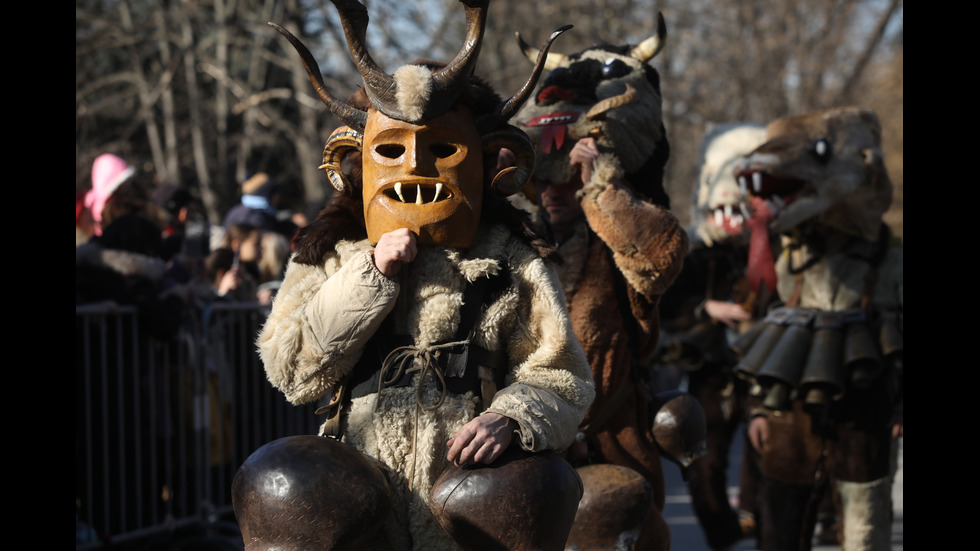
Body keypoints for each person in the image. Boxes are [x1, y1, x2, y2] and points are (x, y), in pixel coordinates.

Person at [247, 4, 593, 549]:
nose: (414, 169)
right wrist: (370, 274)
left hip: (470, 508)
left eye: (442, 150)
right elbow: (290, 371)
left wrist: (512, 418)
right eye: (390, 151)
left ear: (486, 161)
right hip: (358, 506)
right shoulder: (330, 251)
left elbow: (564, 380)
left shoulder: (513, 258)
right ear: (356, 160)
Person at [513, 17, 688, 550]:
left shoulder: (620, 234)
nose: (554, 192)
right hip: (530, 444)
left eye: (566, 178)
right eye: (544, 179)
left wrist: (601, 188)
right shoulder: (517, 245)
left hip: (615, 437)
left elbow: (659, 257)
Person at [732, 107, 902, 551]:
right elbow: (761, 331)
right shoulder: (787, 258)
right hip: (790, 413)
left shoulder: (892, 257)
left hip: (867, 410)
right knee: (781, 529)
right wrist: (759, 411)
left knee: (865, 528)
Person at [656, 122, 769, 550]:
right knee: (704, 464)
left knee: (767, 456)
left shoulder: (767, 249)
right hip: (709, 372)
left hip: (761, 369)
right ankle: (724, 537)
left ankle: (754, 520)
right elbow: (668, 307)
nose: (730, 218)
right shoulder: (695, 253)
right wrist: (708, 309)